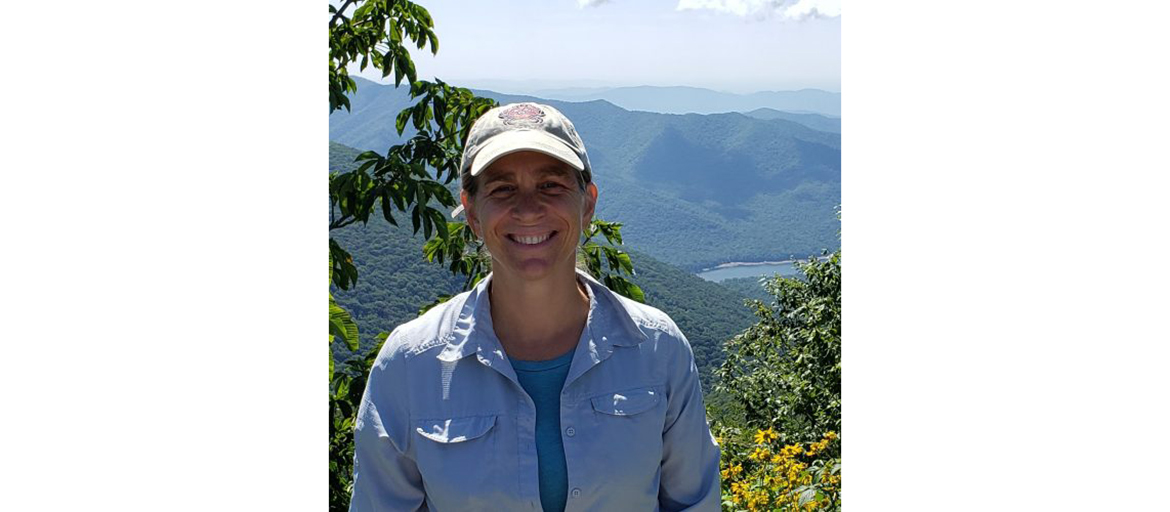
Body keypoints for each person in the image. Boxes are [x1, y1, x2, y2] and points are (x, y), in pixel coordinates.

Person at [349, 102, 720, 511]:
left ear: (588, 204)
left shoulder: (657, 349)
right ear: (472, 211)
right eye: (502, 189)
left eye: (551, 186)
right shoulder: (409, 365)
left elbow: (695, 502)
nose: (528, 209)